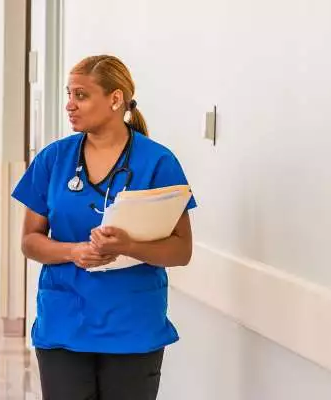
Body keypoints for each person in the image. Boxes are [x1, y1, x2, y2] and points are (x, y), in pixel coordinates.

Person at [11, 55, 197, 400]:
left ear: (115, 99)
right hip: (64, 319)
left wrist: (127, 246)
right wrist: (74, 251)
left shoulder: (158, 162)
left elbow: (181, 250)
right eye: (69, 94)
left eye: (80, 95)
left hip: (132, 324)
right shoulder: (54, 159)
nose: (69, 104)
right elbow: (29, 242)